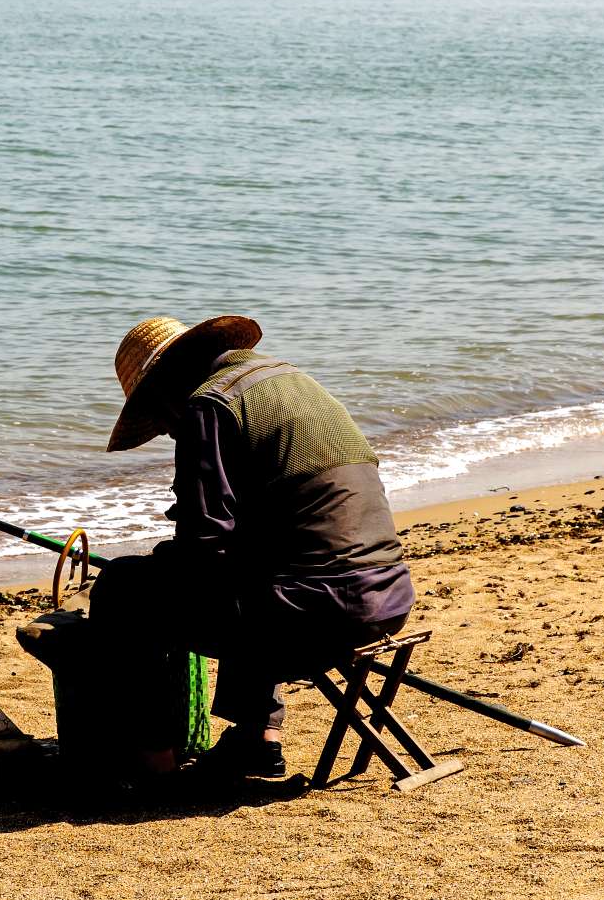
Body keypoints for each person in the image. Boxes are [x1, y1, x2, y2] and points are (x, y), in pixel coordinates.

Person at [92, 313, 415, 779]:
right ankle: (257, 738)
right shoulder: (289, 380)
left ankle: (152, 763)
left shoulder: (211, 405)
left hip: (314, 613)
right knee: (252, 571)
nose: (164, 429)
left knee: (121, 589)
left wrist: (149, 568)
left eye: (156, 414)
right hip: (388, 593)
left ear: (167, 385)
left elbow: (205, 545)